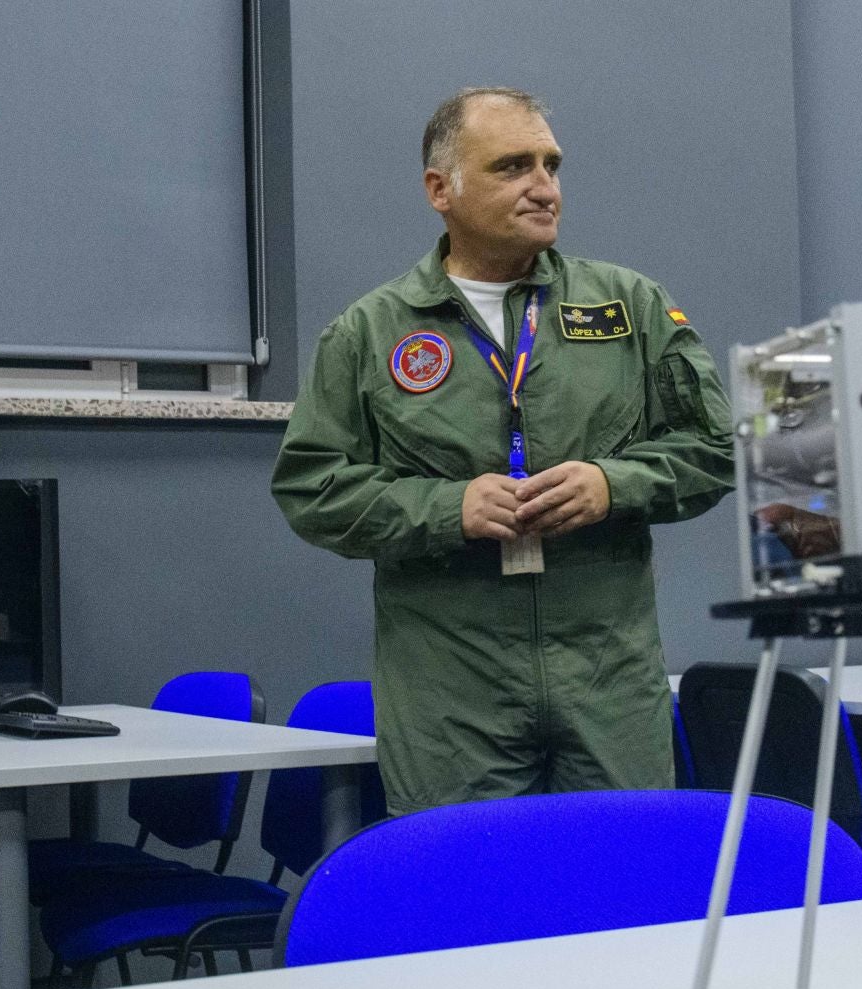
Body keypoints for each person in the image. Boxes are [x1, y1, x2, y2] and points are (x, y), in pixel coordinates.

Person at [271, 86, 734, 815]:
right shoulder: (370, 333)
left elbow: (714, 448)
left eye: (551, 165)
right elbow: (312, 489)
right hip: (451, 687)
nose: (545, 188)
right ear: (440, 190)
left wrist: (613, 484)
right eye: (513, 166)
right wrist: (448, 506)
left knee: (622, 896)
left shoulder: (629, 308)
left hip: (607, 675)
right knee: (466, 902)